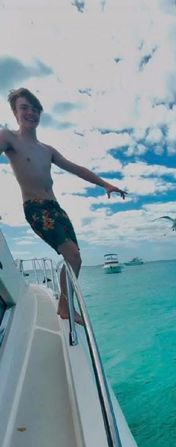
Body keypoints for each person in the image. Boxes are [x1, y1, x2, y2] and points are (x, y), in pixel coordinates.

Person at [0, 87, 127, 324]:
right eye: (24, 108)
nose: (30, 112)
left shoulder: (46, 150)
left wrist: (105, 184)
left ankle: (64, 306)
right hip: (36, 207)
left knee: (76, 258)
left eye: (35, 108)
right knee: (70, 252)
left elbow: (76, 169)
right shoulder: (8, 138)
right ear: (15, 113)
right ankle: (67, 307)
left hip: (56, 209)